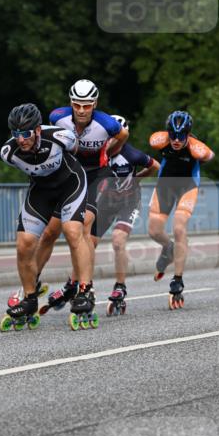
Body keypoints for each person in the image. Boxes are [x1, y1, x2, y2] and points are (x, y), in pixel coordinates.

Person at [32, 81, 129, 313]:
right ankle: (31, 283)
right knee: (50, 232)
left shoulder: (107, 123)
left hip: (97, 175)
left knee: (84, 225)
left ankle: (85, 289)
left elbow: (123, 135)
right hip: (70, 175)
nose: (82, 110)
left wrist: (109, 151)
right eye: (77, 105)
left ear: (95, 103)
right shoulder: (58, 117)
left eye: (87, 105)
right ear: (71, 103)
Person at [0, 103, 92, 328]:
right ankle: (30, 298)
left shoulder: (60, 136)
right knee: (24, 243)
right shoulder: (8, 153)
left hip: (70, 184)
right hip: (41, 191)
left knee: (73, 232)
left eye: (26, 133)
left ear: (38, 130)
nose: (21, 139)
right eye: (16, 134)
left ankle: (85, 291)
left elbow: (76, 151)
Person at [147, 110, 215, 308]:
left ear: (188, 133)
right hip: (165, 185)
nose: (176, 140)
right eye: (173, 135)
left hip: (187, 187)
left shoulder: (196, 148)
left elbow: (210, 155)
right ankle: (168, 249)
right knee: (154, 231)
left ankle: (177, 279)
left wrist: (202, 157)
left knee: (179, 228)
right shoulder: (159, 141)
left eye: (181, 136)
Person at [93, 115, 160, 315]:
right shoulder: (97, 154)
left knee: (118, 240)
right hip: (107, 202)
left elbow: (155, 166)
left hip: (128, 202)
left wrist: (137, 178)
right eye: (107, 137)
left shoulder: (132, 155)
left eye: (114, 137)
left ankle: (120, 286)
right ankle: (82, 285)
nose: (109, 141)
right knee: (87, 242)